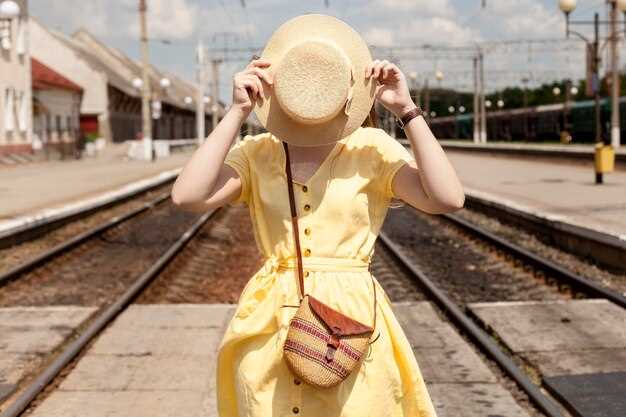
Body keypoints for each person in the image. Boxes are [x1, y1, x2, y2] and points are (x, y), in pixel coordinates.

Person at [171, 14, 464, 417]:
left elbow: (448, 198)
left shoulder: (372, 149)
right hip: (269, 320)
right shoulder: (259, 153)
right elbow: (187, 195)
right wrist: (237, 112)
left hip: (350, 325)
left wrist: (408, 111)